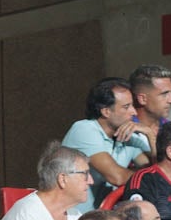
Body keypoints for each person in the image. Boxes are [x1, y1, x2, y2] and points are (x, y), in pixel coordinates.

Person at [61, 77, 143, 205]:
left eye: (132, 105)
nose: (134, 112)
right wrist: (150, 176)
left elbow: (160, 168)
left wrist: (150, 135)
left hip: (104, 215)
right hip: (73, 214)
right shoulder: (84, 129)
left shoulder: (129, 135)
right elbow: (117, 177)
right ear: (106, 112)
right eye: (126, 107)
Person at [0, 144, 86, 220]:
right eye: (85, 174)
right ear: (62, 179)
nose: (91, 181)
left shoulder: (75, 215)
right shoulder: (27, 214)